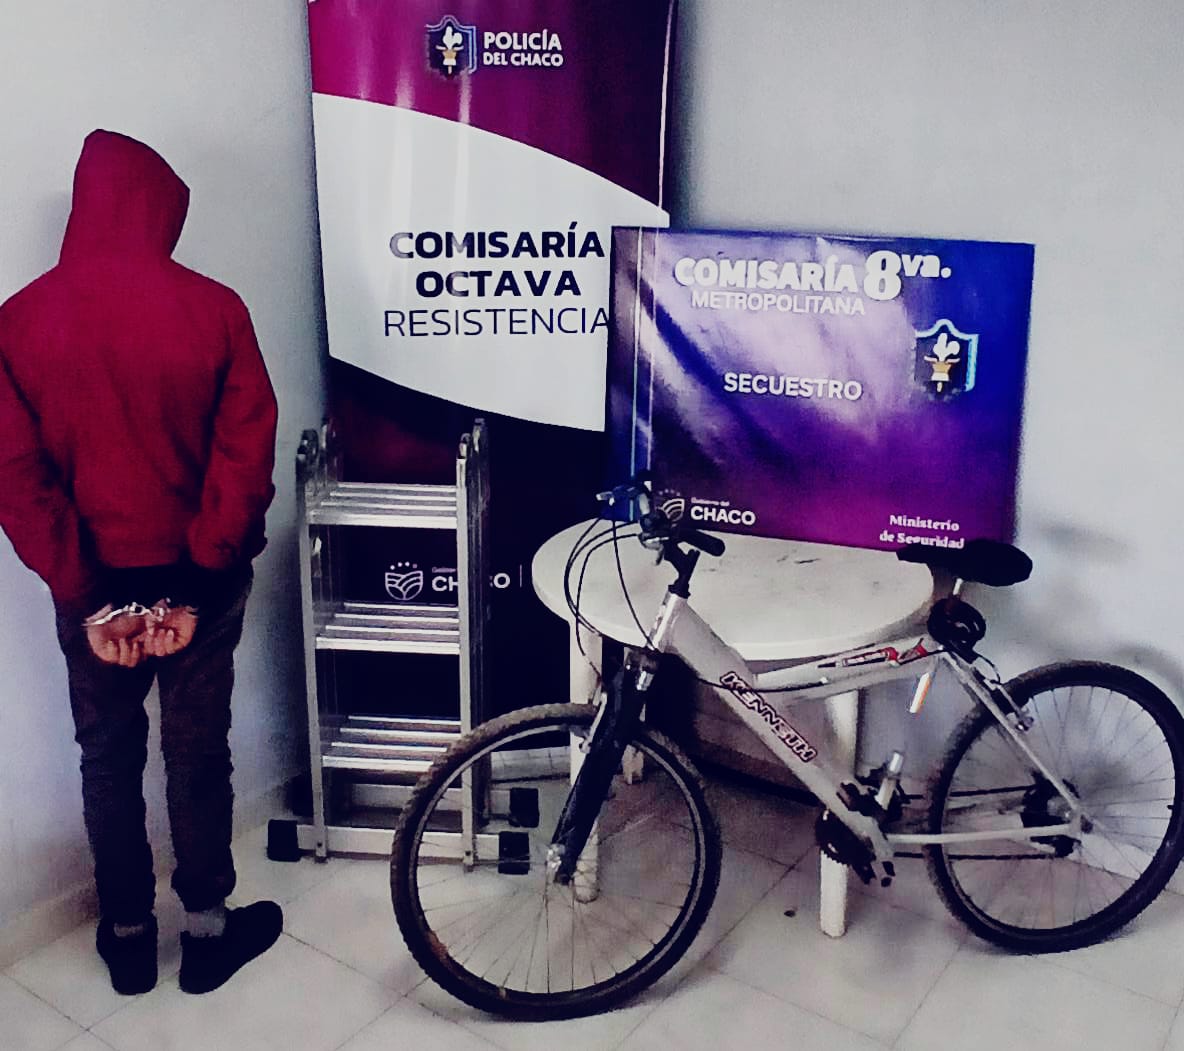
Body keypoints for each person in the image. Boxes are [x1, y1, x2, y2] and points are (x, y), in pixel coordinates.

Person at [0, 129, 282, 995]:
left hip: (93, 588)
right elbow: (246, 454)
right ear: (159, 208)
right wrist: (196, 578)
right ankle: (207, 934)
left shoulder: (17, 322)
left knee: (107, 756)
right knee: (197, 752)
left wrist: (85, 587)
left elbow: (14, 472)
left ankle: (126, 938)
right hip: (197, 583)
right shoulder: (215, 308)